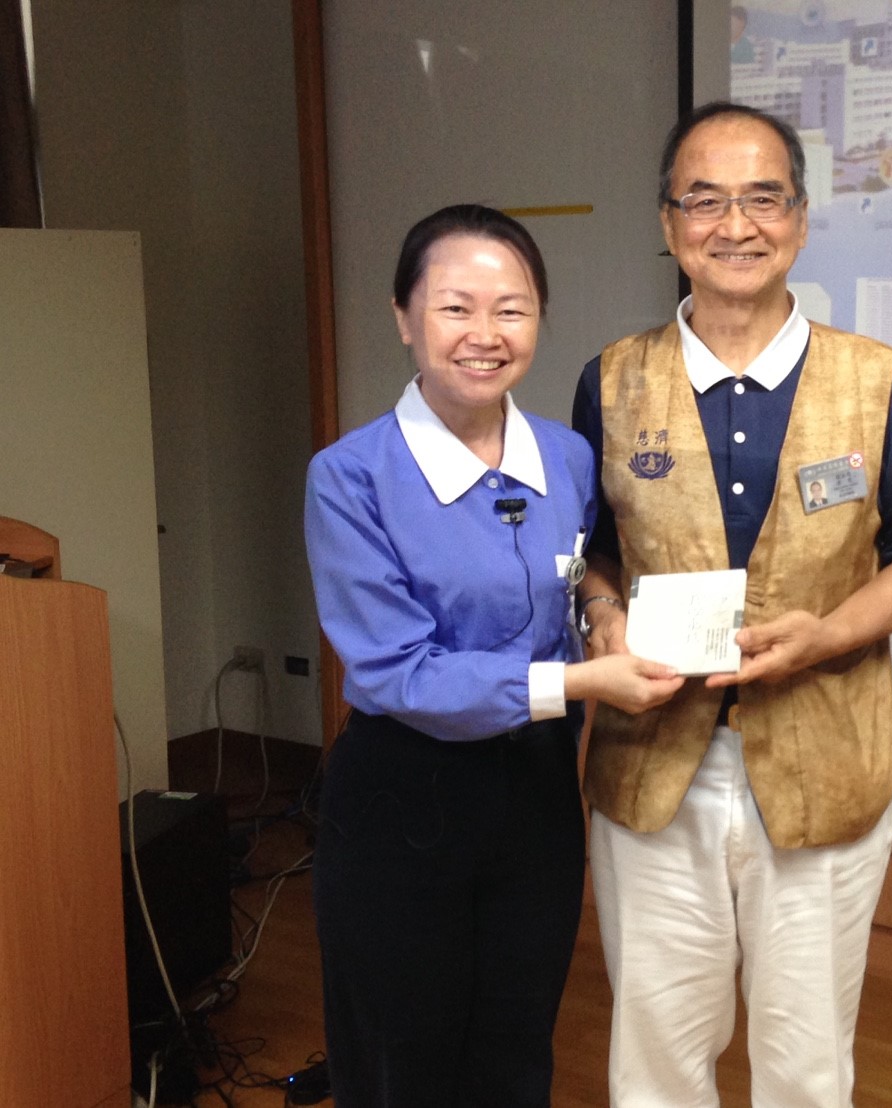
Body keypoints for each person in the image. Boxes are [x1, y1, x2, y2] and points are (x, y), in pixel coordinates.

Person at [571, 103, 892, 1107]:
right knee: (655, 1057)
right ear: (668, 224)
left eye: (762, 199)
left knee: (805, 1062)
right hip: (653, 767)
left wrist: (827, 634)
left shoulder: (872, 380)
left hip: (826, 762)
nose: (734, 226)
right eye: (704, 201)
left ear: (799, 218)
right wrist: (603, 616)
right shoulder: (611, 380)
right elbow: (590, 553)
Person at [304, 204, 683, 1108]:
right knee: (403, 1063)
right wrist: (585, 679)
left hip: (537, 796)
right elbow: (398, 671)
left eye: (511, 309)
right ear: (404, 318)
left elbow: (578, 576)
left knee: (516, 1052)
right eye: (455, 308)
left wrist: (602, 611)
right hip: (405, 798)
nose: (486, 334)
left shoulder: (567, 456)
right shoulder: (350, 477)